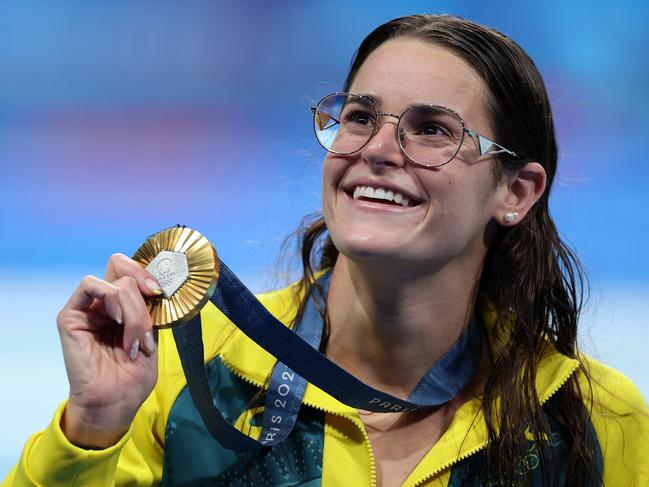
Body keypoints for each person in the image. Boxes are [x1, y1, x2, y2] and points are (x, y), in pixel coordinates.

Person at [4, 14, 648, 487]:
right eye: (360, 116)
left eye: (431, 130)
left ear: (516, 190)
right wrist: (94, 426)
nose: (375, 149)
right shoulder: (181, 376)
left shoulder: (601, 422)